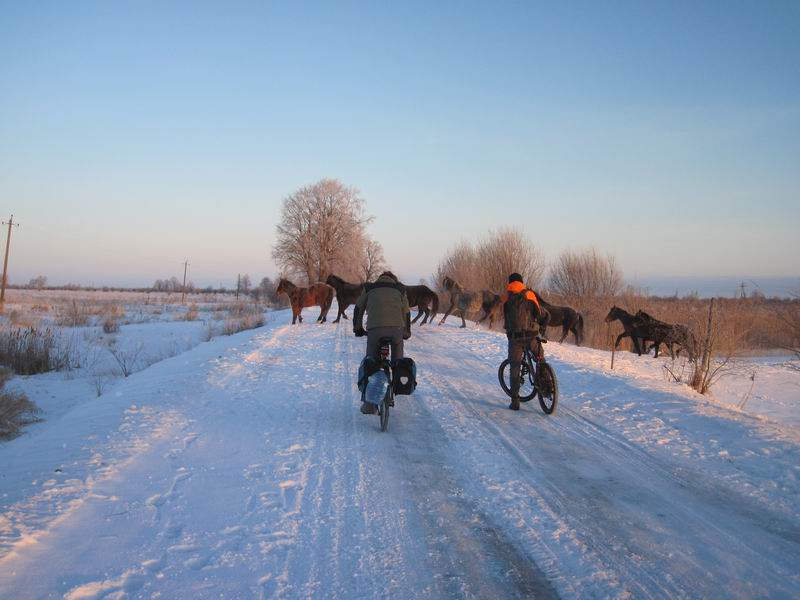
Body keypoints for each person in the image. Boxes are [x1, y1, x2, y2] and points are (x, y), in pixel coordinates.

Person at [353, 271, 411, 414]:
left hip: (375, 330)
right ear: (394, 280)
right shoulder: (400, 290)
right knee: (398, 359)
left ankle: (368, 404)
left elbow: (358, 308)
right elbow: (406, 312)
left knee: (370, 362)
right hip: (396, 330)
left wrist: (358, 328)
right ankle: (396, 384)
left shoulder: (369, 288)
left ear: (379, 279)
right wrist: (406, 332)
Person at [502, 272, 546, 411]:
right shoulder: (529, 294)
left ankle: (515, 401)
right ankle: (547, 383)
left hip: (515, 338)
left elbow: (505, 316)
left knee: (515, 367)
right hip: (531, 335)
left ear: (510, 282)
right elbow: (538, 313)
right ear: (521, 282)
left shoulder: (506, 297)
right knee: (540, 357)